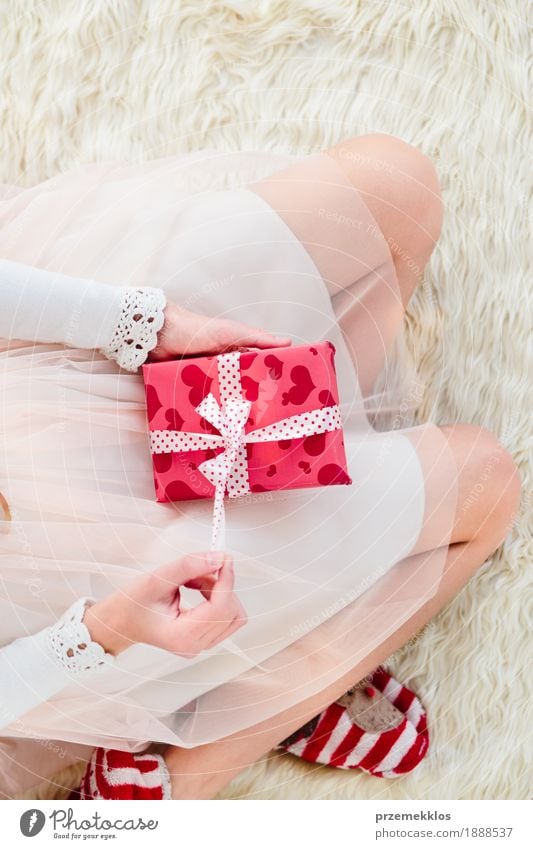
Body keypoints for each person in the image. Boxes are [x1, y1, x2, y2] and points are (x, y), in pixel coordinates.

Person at [0, 136, 520, 799]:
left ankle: (282, 644)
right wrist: (109, 629)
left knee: (398, 187)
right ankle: (197, 767)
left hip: (40, 344)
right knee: (484, 482)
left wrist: (140, 323)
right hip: (60, 587)